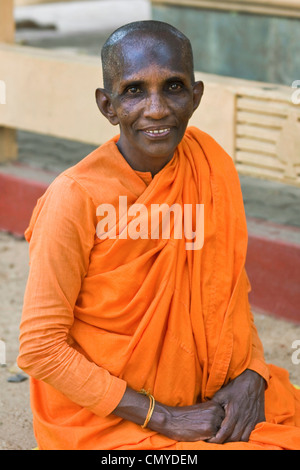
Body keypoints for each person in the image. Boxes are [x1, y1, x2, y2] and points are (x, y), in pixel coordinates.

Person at [18, 20, 300, 450]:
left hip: (211, 398)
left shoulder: (211, 166)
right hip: (107, 417)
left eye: (173, 87)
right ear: (107, 105)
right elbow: (40, 348)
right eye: (134, 91)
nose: (156, 109)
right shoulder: (74, 198)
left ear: (196, 96)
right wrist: (164, 417)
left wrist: (253, 373)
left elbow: (227, 292)